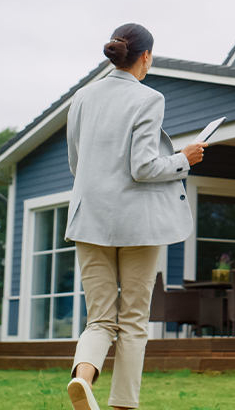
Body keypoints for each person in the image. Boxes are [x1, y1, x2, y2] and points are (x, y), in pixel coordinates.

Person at [64, 23, 208, 410]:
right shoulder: (149, 99)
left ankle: (82, 379)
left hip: (88, 219)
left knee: (99, 320)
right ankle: (122, 405)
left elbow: (77, 164)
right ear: (145, 57)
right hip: (136, 225)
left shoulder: (81, 97)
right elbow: (143, 167)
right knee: (132, 321)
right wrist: (183, 159)